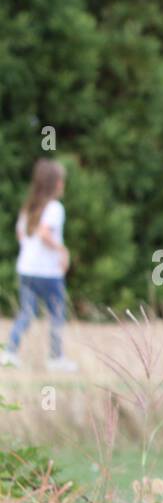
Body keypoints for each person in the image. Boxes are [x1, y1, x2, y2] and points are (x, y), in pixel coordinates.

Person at [3, 158, 77, 371]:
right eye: (61, 180)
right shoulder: (54, 208)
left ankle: (9, 352)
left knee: (26, 312)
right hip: (47, 272)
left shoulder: (29, 208)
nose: (63, 184)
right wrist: (62, 250)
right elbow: (45, 232)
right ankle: (56, 357)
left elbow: (20, 234)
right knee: (57, 313)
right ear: (55, 184)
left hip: (26, 268)